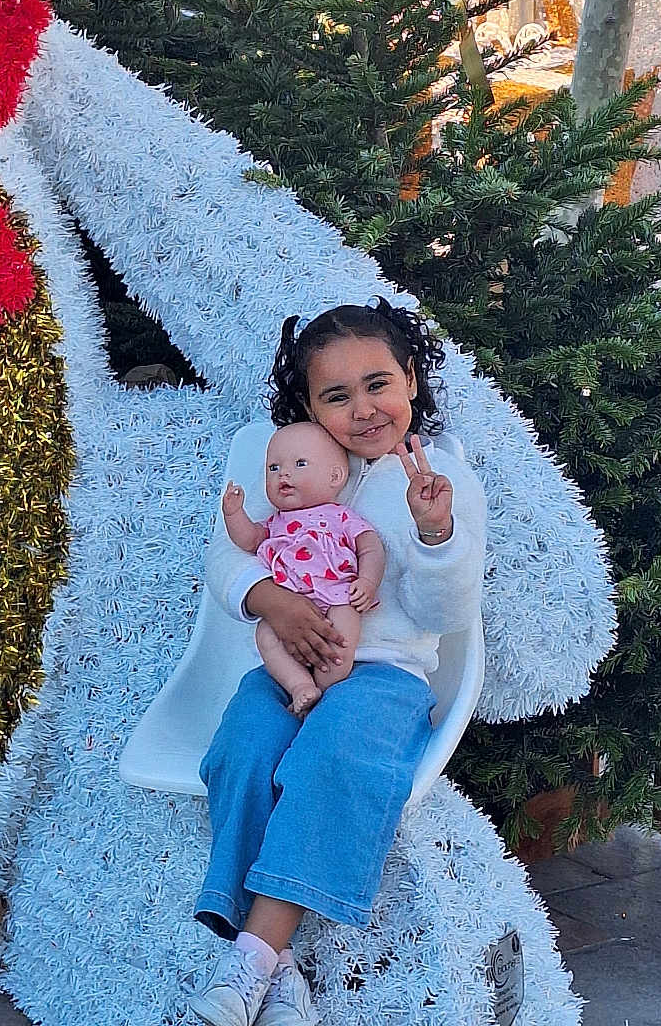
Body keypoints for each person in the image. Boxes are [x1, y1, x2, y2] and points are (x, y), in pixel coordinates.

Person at [187, 301, 487, 1026]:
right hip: (291, 661)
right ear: (308, 407)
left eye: (379, 383)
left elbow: (447, 617)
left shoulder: (439, 481)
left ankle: (251, 962)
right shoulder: (300, 464)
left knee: (329, 760)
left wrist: (434, 530)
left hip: (386, 675)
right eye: (336, 395)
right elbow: (232, 547)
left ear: (411, 379)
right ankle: (281, 972)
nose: (363, 409)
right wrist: (267, 599)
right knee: (242, 748)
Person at [221, 420, 386, 718]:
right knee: (266, 635)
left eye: (300, 463)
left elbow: (371, 547)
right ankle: (300, 686)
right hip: (289, 601)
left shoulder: (341, 516)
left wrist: (368, 581)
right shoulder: (274, 521)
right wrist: (234, 514)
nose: (283, 473)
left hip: (337, 595)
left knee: (343, 635)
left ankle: (327, 684)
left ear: (334, 476)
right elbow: (248, 540)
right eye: (273, 468)